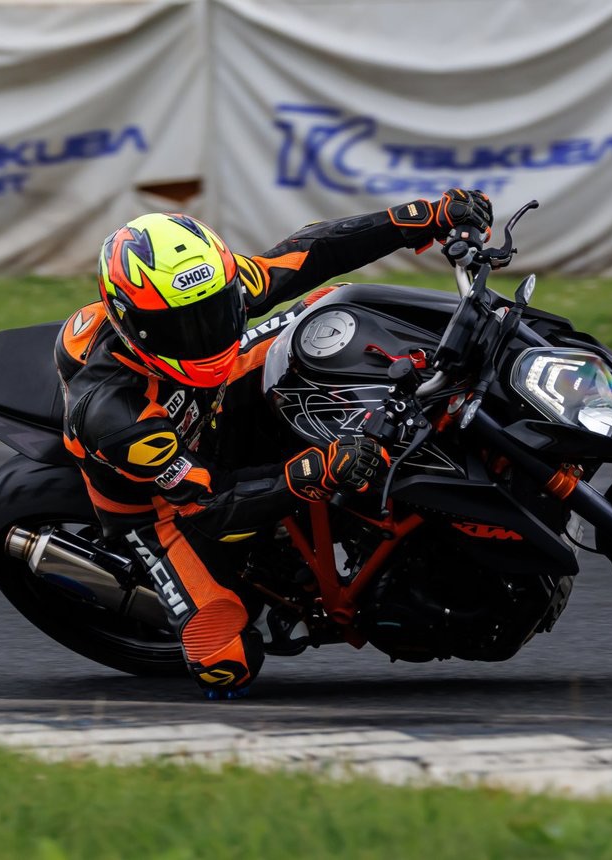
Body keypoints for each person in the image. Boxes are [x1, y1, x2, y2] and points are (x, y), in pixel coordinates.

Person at [54, 189, 493, 698]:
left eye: (217, 311)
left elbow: (313, 251)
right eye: (182, 329)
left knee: (335, 308)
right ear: (133, 325)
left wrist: (420, 217)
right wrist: (312, 472)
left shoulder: (215, 288)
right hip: (165, 507)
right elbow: (209, 504)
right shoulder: (118, 417)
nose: (206, 336)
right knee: (227, 665)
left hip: (215, 399)